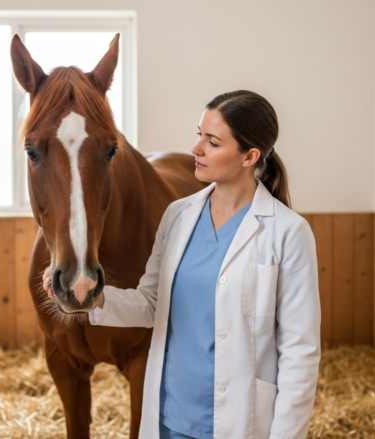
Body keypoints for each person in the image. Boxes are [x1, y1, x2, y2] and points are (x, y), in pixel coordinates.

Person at [43, 90, 321, 439]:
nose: (196, 149)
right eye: (199, 135)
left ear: (250, 156)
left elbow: (300, 353)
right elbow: (151, 304)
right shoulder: (178, 215)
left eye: (212, 142)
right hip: (168, 420)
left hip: (237, 424)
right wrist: (97, 297)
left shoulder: (289, 233)